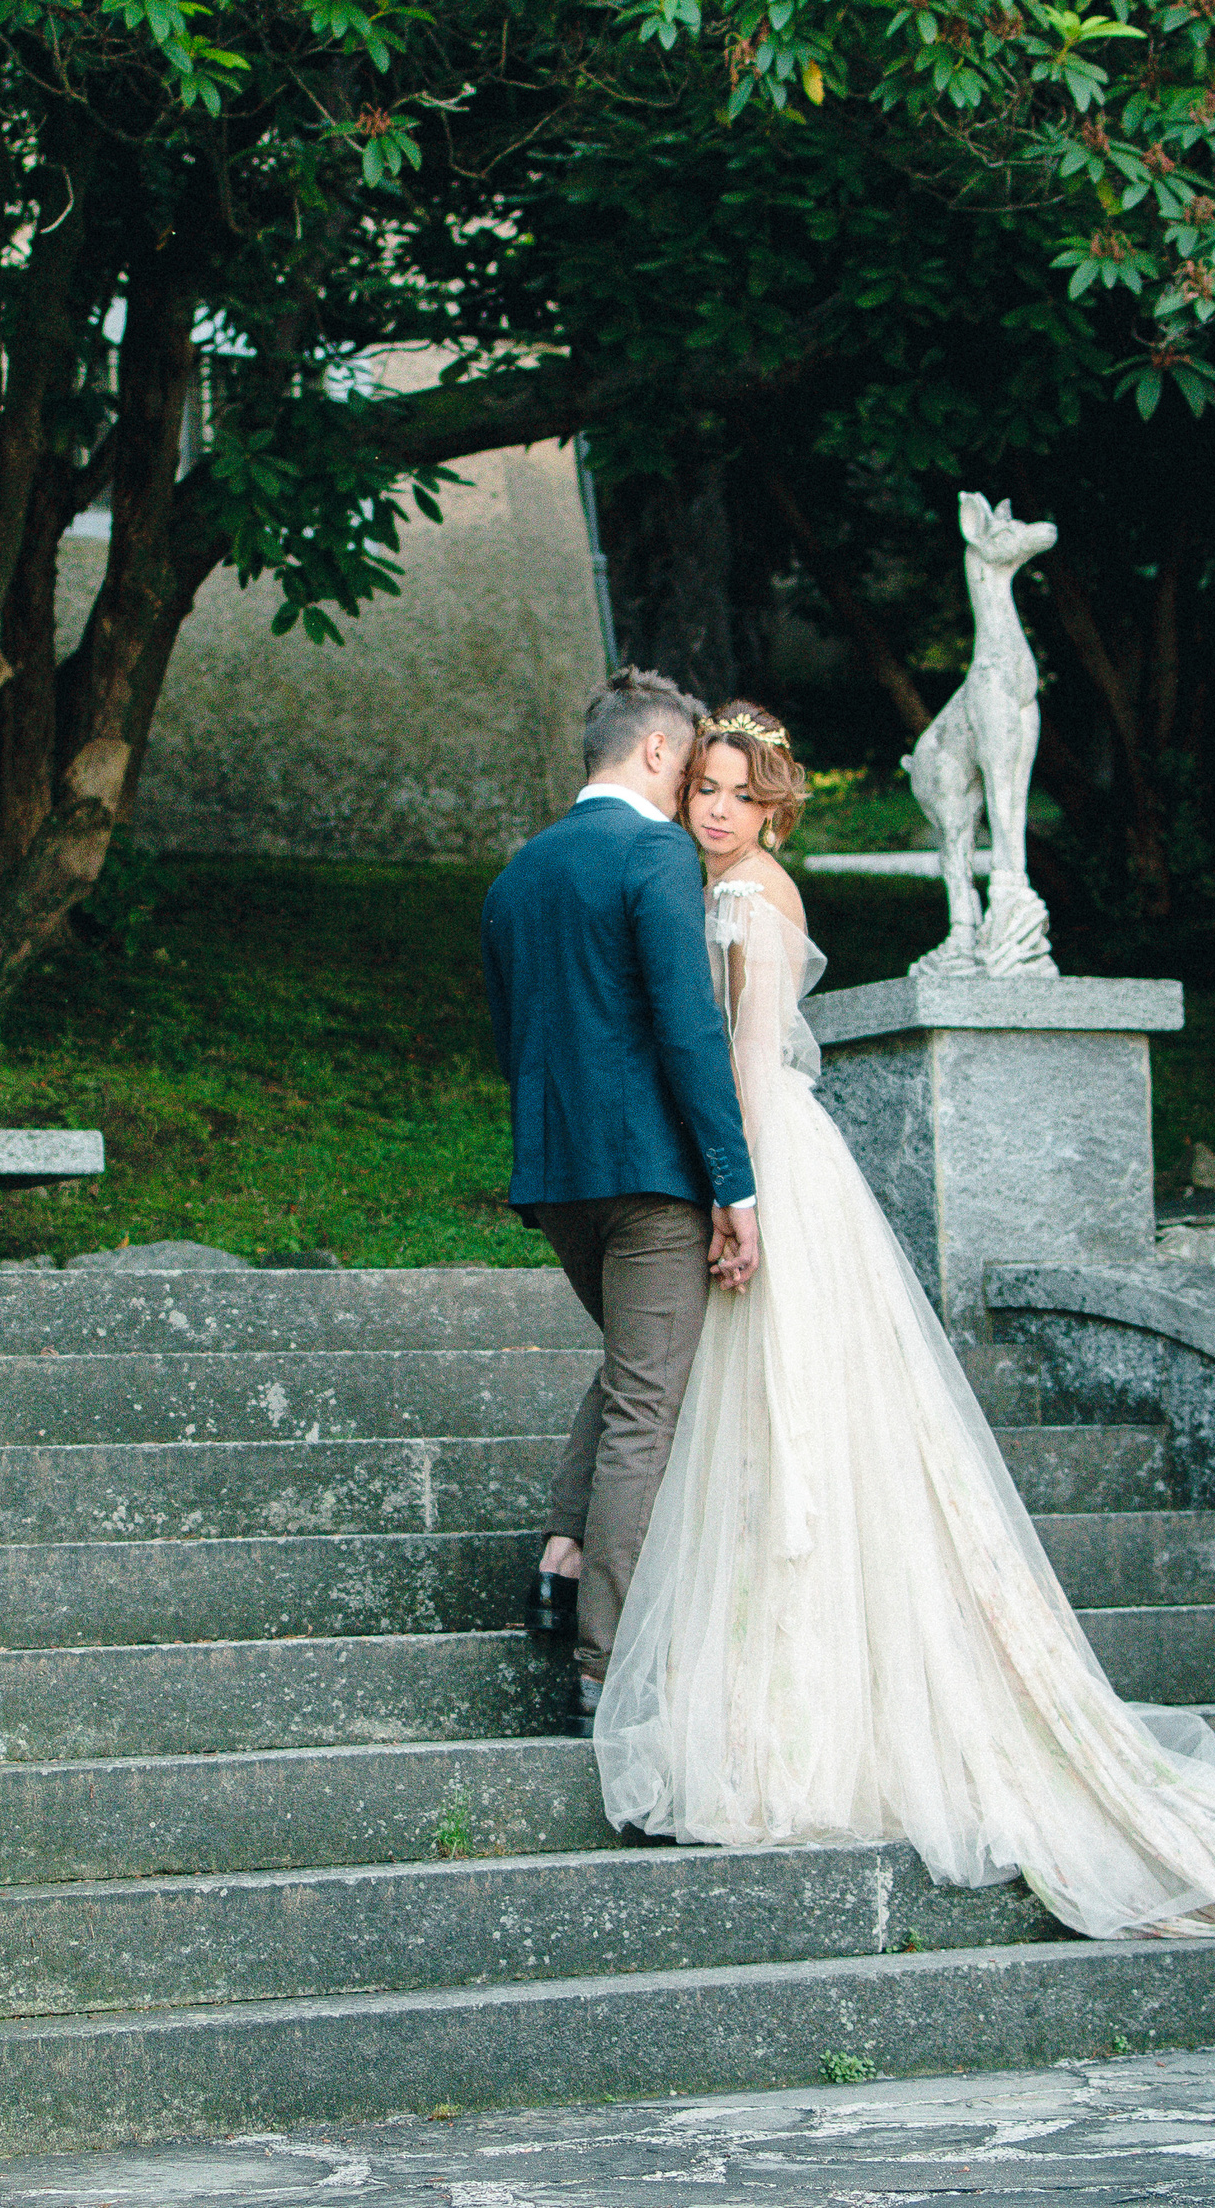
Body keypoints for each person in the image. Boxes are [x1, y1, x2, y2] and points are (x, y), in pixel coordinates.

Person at [592, 698, 1215, 1997]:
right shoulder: (746, 892)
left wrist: (735, 1204)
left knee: (789, 1437)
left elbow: (739, 1068)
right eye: (704, 792)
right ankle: (775, 1718)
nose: (715, 810)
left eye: (737, 793)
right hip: (788, 1159)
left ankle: (788, 1736)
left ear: (776, 807)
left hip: (769, 1175)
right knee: (781, 1448)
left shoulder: (742, 904)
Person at [481, 666, 762, 1735]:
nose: (699, 788)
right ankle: (607, 1668)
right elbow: (687, 1031)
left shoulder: (515, 878)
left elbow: (516, 1043)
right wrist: (731, 1182)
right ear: (655, 752)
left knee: (635, 1369)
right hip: (652, 1180)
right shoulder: (653, 853)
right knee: (651, 1404)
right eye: (691, 764)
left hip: (558, 1183)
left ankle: (561, 1558)